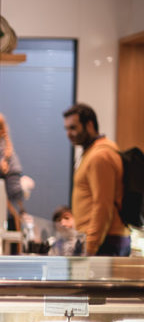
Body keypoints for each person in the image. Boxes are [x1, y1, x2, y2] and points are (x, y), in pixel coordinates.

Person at [63, 103, 129, 256]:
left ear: (89, 125)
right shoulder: (92, 152)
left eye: (73, 128)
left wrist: (90, 247)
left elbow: (102, 205)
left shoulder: (100, 156)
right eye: (66, 129)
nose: (69, 133)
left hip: (105, 241)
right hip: (102, 239)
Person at [0, 113, 34, 231]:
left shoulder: (7, 156)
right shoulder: (7, 154)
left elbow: (14, 192)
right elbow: (16, 193)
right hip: (3, 217)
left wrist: (23, 187)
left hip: (4, 219)